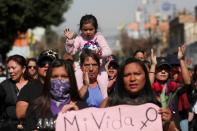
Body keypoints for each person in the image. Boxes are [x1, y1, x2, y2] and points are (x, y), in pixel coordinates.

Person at [103, 58, 172, 130]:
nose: (132, 79)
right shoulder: (108, 103)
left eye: (137, 74)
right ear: (121, 79)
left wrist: (167, 122)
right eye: (127, 75)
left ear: (145, 76)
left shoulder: (156, 104)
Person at [24, 59, 86, 131]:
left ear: (71, 79)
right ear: (48, 79)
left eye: (64, 76)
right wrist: (60, 116)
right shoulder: (35, 106)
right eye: (55, 76)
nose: (59, 80)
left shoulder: (82, 108)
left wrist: (78, 116)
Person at [151, 45, 191, 131]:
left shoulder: (174, 87)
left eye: (166, 69)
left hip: (173, 127)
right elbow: (147, 85)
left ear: (169, 72)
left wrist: (181, 60)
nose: (163, 71)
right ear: (155, 72)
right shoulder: (151, 90)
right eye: (160, 69)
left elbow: (187, 82)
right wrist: (153, 65)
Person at [16, 50, 58, 124]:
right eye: (43, 63)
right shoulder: (28, 88)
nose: (46, 66)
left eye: (50, 63)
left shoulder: (63, 87)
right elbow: (20, 114)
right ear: (37, 67)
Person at [0, 55, 40, 130]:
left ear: (23, 69)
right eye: (8, 68)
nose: (10, 71)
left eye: (13, 68)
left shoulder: (35, 85)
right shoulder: (4, 86)